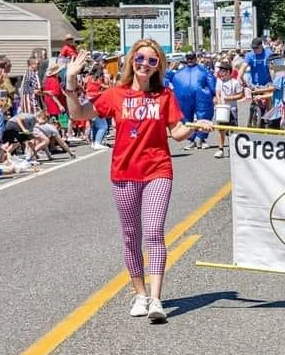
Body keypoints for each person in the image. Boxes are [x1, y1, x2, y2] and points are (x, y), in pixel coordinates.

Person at [63, 41, 213, 323]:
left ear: (159, 66)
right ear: (132, 61)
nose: (145, 64)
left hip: (158, 170)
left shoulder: (164, 95)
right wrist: (70, 80)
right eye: (140, 58)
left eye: (152, 61)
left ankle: (156, 299)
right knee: (132, 236)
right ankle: (140, 294)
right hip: (124, 172)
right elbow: (78, 114)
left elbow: (177, 131)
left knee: (154, 232)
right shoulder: (115, 94)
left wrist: (197, 125)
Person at [171, 52, 214, 150]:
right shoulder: (179, 72)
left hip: (201, 97)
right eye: (188, 58)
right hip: (184, 98)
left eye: (191, 58)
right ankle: (191, 140)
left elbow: (211, 83)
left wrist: (213, 94)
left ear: (195, 59)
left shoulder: (204, 70)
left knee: (203, 116)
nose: (190, 60)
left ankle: (201, 139)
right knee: (186, 118)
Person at [213, 62, 243, 158]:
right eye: (220, 71)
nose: (221, 73)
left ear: (229, 72)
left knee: (232, 129)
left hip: (232, 109)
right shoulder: (219, 81)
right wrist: (218, 101)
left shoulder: (235, 82)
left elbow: (240, 94)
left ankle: (233, 149)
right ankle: (220, 149)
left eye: (223, 71)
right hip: (222, 109)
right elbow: (217, 93)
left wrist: (231, 98)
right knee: (220, 129)